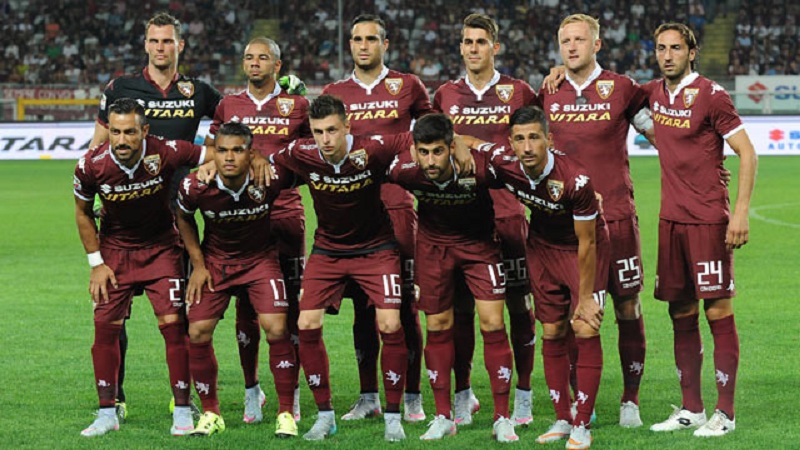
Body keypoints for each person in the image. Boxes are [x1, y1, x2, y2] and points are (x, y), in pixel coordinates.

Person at [88, 12, 223, 422]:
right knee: (114, 315)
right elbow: (98, 143)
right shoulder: (121, 88)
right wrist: (102, 185)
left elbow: (229, 125)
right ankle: (115, 398)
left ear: (180, 45)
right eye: (154, 41)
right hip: (123, 219)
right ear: (145, 44)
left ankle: (181, 397)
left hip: (175, 219)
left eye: (167, 41)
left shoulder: (197, 91)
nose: (160, 47)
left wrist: (208, 162)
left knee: (178, 315)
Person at [270, 95, 411, 442]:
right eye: (318, 132)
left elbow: (415, 137)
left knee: (390, 323)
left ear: (347, 126)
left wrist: (461, 144)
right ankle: (325, 416)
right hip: (328, 250)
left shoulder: (372, 149)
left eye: (332, 130)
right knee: (306, 323)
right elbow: (266, 159)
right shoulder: (301, 152)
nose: (326, 139)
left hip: (377, 248)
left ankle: (393, 417)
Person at [73, 97, 215, 437]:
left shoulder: (165, 151)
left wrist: (209, 166)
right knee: (104, 327)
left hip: (161, 249)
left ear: (145, 131)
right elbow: (82, 212)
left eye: (129, 132)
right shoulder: (90, 165)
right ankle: (107, 413)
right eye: (115, 132)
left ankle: (182, 409)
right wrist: (96, 264)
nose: (121, 140)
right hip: (115, 253)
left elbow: (216, 154)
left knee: (173, 327)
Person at [538, 13, 653, 428]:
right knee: (576, 314)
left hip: (616, 217)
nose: (572, 47)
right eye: (565, 41)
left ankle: (630, 400)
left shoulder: (622, 89)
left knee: (627, 306)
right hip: (565, 224)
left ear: (597, 44)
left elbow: (660, 133)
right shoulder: (548, 91)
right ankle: (576, 401)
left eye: (580, 40)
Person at [644, 22, 757, 438]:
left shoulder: (712, 95)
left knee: (717, 311)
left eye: (676, 48)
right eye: (661, 48)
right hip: (670, 220)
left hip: (708, 220)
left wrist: (739, 213)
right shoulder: (653, 93)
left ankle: (725, 413)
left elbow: (748, 153)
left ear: (692, 52)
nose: (667, 55)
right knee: (680, 312)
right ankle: (691, 408)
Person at [321, 14, 429, 423]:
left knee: (404, 307)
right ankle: (368, 396)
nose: (363, 45)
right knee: (363, 309)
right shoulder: (334, 92)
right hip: (352, 213)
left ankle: (412, 396)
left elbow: (433, 131)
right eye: (356, 39)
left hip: (398, 208)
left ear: (385, 44)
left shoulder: (409, 85)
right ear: (349, 44)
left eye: (371, 39)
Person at [433, 12, 538, 426]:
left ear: (495, 47)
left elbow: (539, 141)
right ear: (460, 47)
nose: (473, 48)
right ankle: (463, 395)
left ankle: (524, 395)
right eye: (467, 41)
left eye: (481, 41)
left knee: (518, 307)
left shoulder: (518, 91)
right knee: (461, 310)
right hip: (461, 218)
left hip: (509, 214)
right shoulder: (445, 95)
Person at [387, 113, 517, 443]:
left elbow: (518, 166)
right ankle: (444, 416)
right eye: (424, 152)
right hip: (433, 249)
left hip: (480, 247)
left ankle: (502, 418)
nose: (430, 161)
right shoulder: (403, 170)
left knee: (493, 324)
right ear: (415, 150)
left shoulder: (481, 168)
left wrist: (466, 142)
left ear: (450, 147)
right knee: (438, 327)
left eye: (438, 151)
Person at [486, 106, 609, 449]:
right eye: (520, 139)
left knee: (585, 326)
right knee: (552, 331)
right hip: (541, 247)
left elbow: (588, 242)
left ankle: (582, 424)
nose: (527, 147)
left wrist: (586, 297)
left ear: (549, 140)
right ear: (511, 142)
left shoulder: (575, 179)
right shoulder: (505, 164)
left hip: (581, 249)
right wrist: (458, 145)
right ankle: (562, 418)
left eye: (534, 138)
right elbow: (469, 143)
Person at [204, 36, 310, 425]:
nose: (254, 63)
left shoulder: (297, 106)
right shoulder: (229, 105)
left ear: (277, 66)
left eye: (262, 58)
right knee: (245, 307)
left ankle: (290, 394)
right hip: (238, 216)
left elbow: (310, 158)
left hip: (284, 214)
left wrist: (274, 165)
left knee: (289, 309)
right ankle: (252, 391)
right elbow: (211, 152)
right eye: (249, 57)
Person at [176, 122, 299, 438]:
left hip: (260, 260)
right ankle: (211, 413)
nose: (229, 157)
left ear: (250, 153)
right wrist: (198, 265)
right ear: (213, 152)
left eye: (237, 150)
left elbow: (308, 171)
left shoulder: (269, 178)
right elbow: (183, 218)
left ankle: (286, 413)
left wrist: (264, 160)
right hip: (216, 264)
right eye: (222, 150)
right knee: (197, 331)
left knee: (277, 328)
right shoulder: (195, 185)